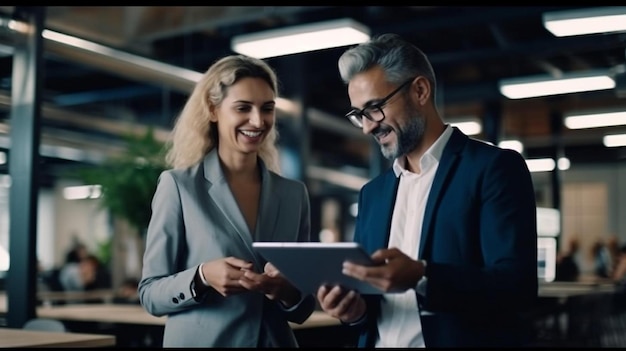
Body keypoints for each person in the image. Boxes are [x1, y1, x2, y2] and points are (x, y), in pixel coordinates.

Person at [315, 33, 538, 348]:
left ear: (420, 90)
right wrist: (354, 311)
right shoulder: (373, 194)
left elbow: (518, 288)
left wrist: (423, 276)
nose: (367, 127)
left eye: (375, 108)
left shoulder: (493, 169)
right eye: (359, 115)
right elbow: (372, 306)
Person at [137, 54, 316, 347]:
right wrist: (202, 276)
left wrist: (285, 290)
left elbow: (304, 306)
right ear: (213, 110)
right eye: (243, 108)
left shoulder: (294, 194)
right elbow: (150, 294)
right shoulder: (179, 186)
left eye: (267, 108)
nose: (258, 121)